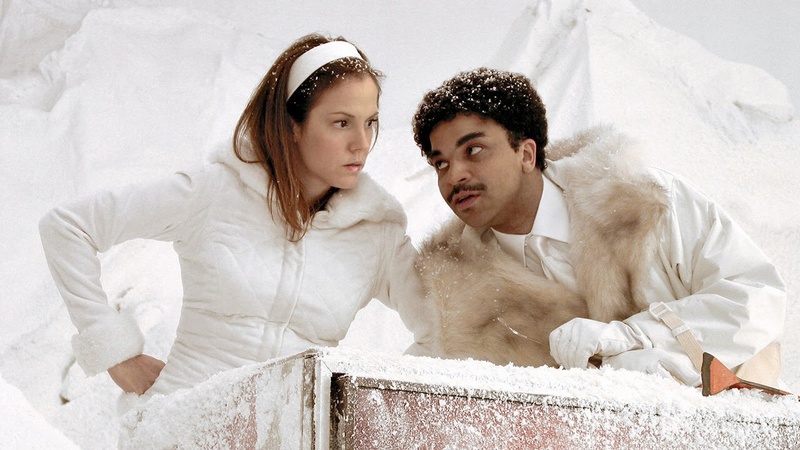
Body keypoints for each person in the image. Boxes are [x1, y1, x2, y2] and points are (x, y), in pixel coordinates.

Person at [38, 33, 438, 398]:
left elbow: (446, 330)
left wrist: (371, 405)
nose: (362, 143)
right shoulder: (216, 191)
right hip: (182, 429)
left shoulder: (377, 233)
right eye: (342, 123)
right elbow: (69, 227)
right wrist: (117, 356)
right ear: (293, 125)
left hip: (290, 437)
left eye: (370, 123)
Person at [411, 67, 787, 389]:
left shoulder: (646, 199)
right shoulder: (455, 299)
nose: (454, 176)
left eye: (473, 150)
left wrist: (636, 337)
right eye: (440, 163)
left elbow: (758, 296)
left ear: (525, 154)